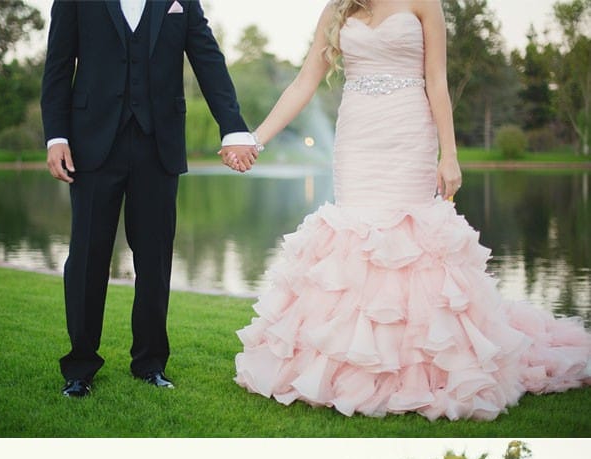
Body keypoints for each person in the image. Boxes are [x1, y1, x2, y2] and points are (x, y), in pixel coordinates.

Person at [232, 0, 591, 421]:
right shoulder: (338, 8)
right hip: (358, 136)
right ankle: (357, 362)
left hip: (408, 129)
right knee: (359, 240)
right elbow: (304, 81)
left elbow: (437, 81)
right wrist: (255, 140)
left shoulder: (424, 2)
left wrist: (449, 154)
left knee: (410, 238)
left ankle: (424, 365)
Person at [41, 0, 259, 398]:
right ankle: (80, 368)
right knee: (87, 258)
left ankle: (150, 364)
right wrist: (56, 136)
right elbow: (57, 63)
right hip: (92, 144)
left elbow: (208, 59)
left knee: (155, 261)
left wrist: (233, 127)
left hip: (158, 145)